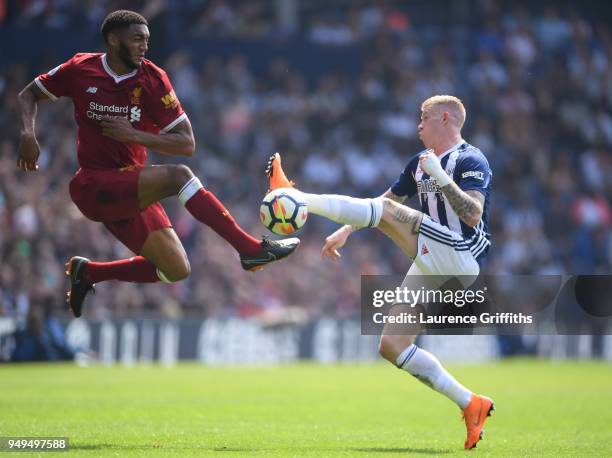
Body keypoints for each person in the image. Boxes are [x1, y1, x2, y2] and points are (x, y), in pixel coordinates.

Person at [16, 10, 299, 318]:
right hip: (93, 184)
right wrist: (28, 134)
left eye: (147, 40)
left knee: (176, 269)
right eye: (137, 39)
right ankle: (249, 249)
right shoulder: (81, 68)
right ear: (113, 40)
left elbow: (186, 143)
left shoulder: (152, 79)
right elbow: (28, 94)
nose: (144, 46)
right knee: (180, 177)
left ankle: (90, 273)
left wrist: (131, 134)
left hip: (131, 187)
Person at [266, 95, 494, 450]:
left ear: (446, 118)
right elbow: (386, 200)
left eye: (424, 117)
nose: (418, 124)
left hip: (461, 257)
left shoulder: (470, 159)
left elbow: (473, 215)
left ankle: (293, 195)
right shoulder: (419, 164)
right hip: (433, 259)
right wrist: (347, 230)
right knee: (392, 345)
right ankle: (471, 404)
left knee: (386, 212)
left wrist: (440, 177)